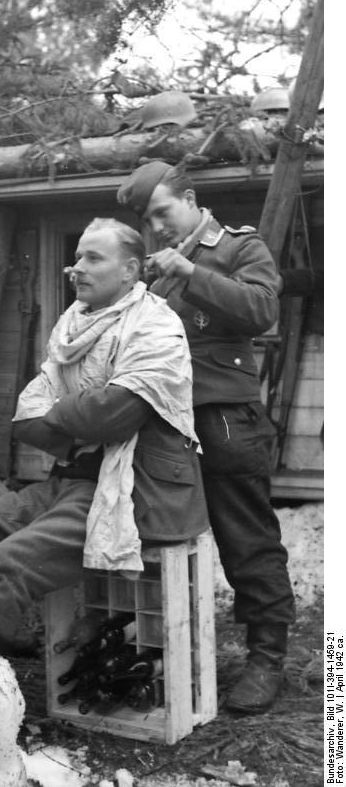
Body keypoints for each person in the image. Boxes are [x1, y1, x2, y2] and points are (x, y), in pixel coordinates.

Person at [0, 217, 209, 657]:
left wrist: (61, 410)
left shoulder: (156, 325)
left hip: (135, 489)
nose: (76, 267)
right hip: (72, 481)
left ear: (130, 270)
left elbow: (115, 415)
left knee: (11, 561)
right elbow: (26, 418)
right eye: (78, 256)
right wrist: (80, 412)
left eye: (93, 258)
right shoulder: (72, 325)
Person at [117, 161, 295, 713]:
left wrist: (191, 272)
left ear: (191, 199)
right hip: (165, 424)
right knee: (165, 537)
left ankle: (267, 659)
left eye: (163, 213)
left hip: (224, 420)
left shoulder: (239, 247)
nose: (158, 228)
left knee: (247, 540)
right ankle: (170, 648)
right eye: (149, 221)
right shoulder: (157, 269)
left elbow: (262, 309)